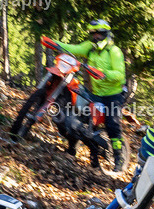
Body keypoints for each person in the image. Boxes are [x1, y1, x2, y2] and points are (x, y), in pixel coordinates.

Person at [50, 19, 127, 171]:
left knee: (112, 124)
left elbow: (120, 75)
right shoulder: (89, 48)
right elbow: (73, 48)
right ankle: (72, 149)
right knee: (74, 117)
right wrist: (52, 43)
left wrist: (104, 74)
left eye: (100, 33)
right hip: (95, 94)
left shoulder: (114, 51)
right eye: (94, 34)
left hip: (113, 95)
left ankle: (119, 157)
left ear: (106, 34)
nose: (96, 37)